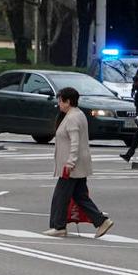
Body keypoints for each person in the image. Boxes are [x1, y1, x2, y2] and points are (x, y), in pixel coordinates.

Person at [44, 87, 114, 238]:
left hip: (72, 166)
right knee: (80, 196)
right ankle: (101, 221)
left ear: (68, 101)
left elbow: (75, 143)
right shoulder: (78, 114)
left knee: (60, 196)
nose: (59, 104)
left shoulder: (72, 118)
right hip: (78, 164)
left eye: (60, 100)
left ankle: (59, 227)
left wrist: (70, 163)